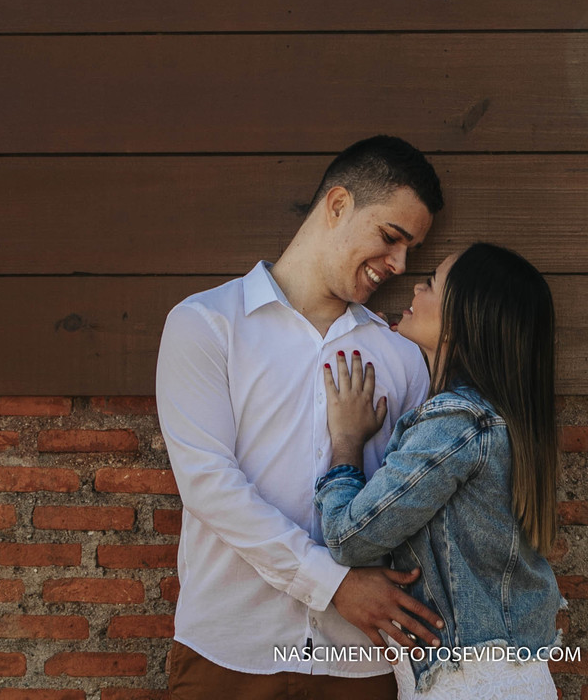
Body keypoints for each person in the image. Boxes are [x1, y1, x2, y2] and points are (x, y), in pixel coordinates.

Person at [157, 136, 447, 700]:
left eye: (412, 250)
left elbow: (414, 502)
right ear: (338, 205)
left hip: (360, 662)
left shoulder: (401, 356)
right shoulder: (207, 325)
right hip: (229, 655)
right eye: (391, 238)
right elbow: (208, 486)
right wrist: (332, 584)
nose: (400, 265)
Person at [314, 242, 562, 700]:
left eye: (431, 283)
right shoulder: (499, 420)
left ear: (465, 317)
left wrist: (347, 443)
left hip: (472, 686)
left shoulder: (458, 422)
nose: (414, 286)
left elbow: (349, 536)